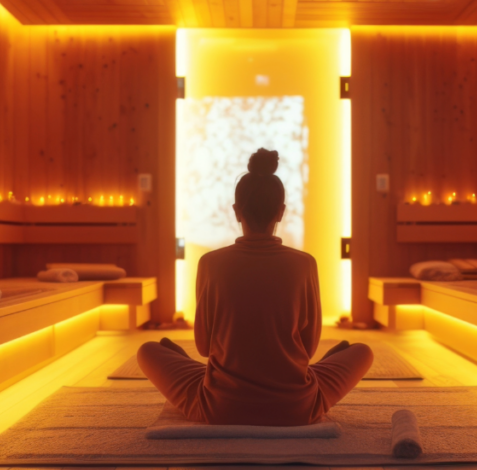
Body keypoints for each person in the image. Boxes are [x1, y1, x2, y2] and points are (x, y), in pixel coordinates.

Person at [137, 148, 373, 426]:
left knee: (147, 352)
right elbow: (307, 351)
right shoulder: (304, 264)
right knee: (363, 352)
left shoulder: (211, 263)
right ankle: (324, 372)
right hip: (297, 407)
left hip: (220, 407)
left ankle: (186, 365)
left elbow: (203, 346)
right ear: (281, 212)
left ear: (237, 212)